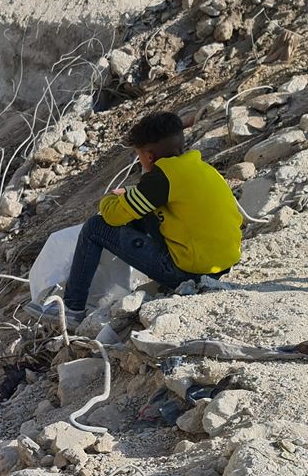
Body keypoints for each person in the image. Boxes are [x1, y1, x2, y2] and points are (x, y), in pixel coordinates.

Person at [27, 111, 241, 328]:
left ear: (149, 156)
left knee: (95, 228)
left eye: (138, 155)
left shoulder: (161, 178)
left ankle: (73, 308)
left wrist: (110, 197)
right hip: (222, 266)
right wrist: (132, 197)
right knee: (141, 214)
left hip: (189, 273)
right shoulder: (201, 168)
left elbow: (112, 215)